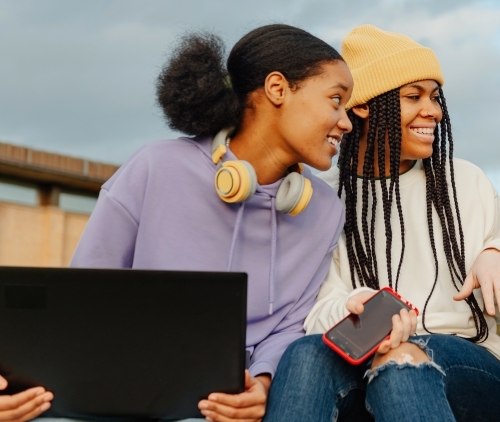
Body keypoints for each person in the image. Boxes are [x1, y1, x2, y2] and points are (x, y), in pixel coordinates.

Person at [0, 24, 353, 422]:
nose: (346, 122)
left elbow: (291, 326)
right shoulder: (155, 167)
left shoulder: (324, 209)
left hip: (232, 406)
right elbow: (86, 292)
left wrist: (264, 384)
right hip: (125, 393)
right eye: (336, 100)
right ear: (277, 89)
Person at [264, 25, 500, 422]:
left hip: (468, 367)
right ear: (364, 106)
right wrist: (353, 308)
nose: (434, 111)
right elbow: (315, 309)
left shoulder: (464, 179)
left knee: (401, 358)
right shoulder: (320, 195)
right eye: (414, 97)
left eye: (435, 97)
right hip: (359, 359)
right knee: (305, 354)